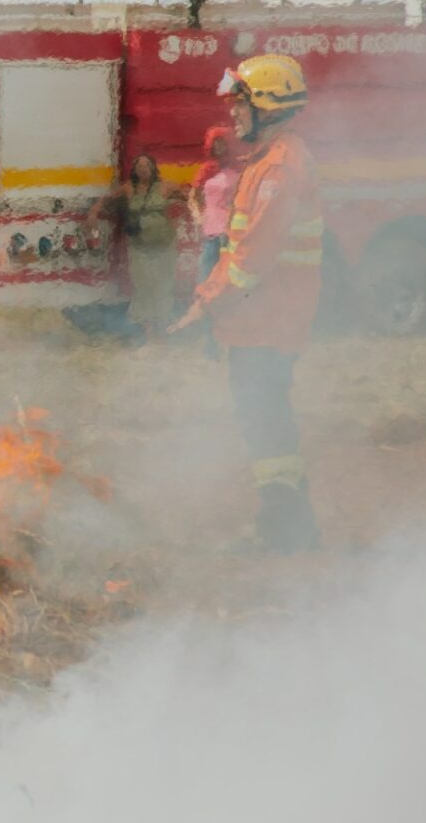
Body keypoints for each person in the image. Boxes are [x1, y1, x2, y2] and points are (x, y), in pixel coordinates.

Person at [171, 54, 324, 554]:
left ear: (269, 104)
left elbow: (250, 258)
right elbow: (240, 252)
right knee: (265, 420)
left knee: (266, 422)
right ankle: (289, 524)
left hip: (269, 321)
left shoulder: (280, 165)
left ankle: (287, 531)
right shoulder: (270, 158)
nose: (232, 113)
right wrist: (207, 299)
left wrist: (205, 305)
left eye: (241, 102)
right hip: (263, 318)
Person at [86, 153, 184, 341]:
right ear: (135, 170)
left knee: (163, 286)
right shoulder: (129, 188)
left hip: (164, 246)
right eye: (139, 166)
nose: (143, 169)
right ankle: (148, 334)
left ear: (153, 168)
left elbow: (191, 194)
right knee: (143, 287)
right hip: (139, 247)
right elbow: (106, 199)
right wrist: (93, 212)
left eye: (147, 166)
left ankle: (162, 333)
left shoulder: (165, 187)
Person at [188, 126, 242, 285]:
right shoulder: (206, 170)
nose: (218, 147)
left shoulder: (238, 169)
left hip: (230, 231)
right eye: (215, 143)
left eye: (222, 142)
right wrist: (198, 216)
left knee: (228, 278)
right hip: (211, 231)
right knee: (207, 274)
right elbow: (193, 196)